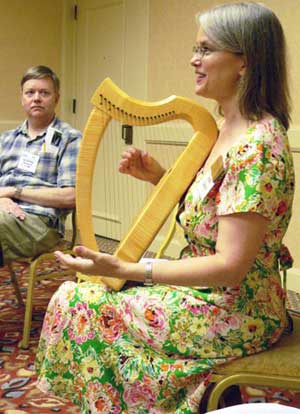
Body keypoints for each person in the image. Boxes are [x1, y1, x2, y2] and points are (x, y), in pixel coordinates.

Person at [35, 2, 294, 413]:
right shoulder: (225, 124)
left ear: (244, 62)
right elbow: (218, 205)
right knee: (81, 297)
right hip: (206, 295)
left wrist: (126, 269)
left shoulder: (258, 147)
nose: (194, 59)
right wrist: (159, 176)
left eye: (206, 50)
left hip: (233, 310)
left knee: (80, 304)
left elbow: (230, 265)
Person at [0, 65, 81, 265]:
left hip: (41, 223)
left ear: (56, 98)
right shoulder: (6, 139)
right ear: (22, 98)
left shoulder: (69, 138)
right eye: (30, 92)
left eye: (44, 92)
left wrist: (14, 192)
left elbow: (71, 196)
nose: (36, 98)